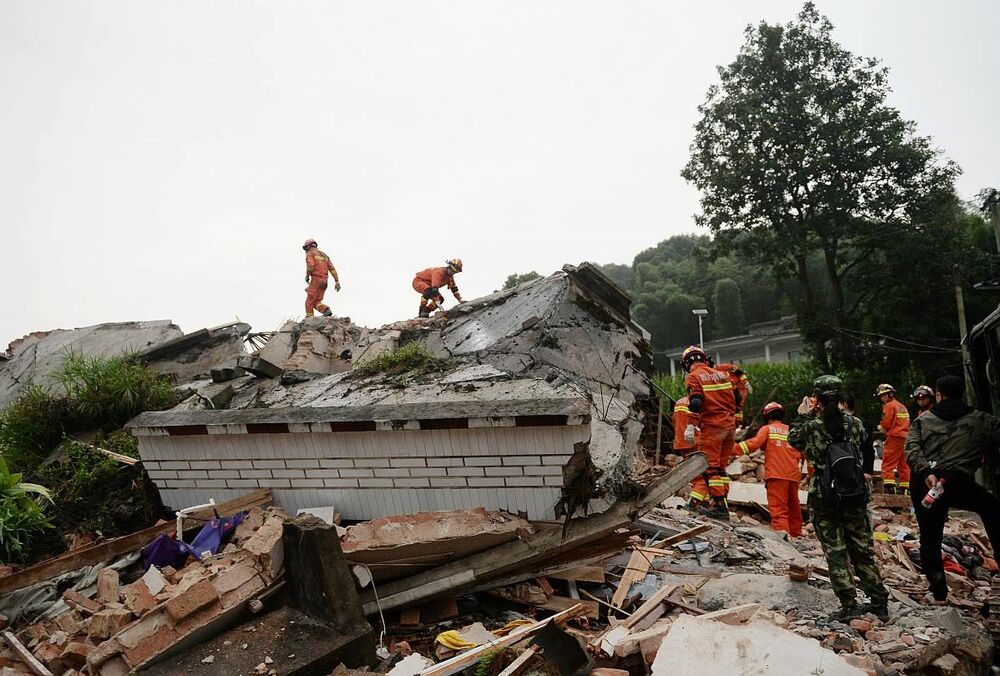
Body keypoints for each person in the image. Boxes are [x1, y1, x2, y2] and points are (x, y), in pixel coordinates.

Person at [789, 375, 889, 621]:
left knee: (835, 552)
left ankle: (849, 605)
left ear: (817, 399)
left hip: (825, 496)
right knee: (862, 550)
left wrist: (803, 414)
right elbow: (864, 439)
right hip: (855, 494)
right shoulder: (855, 424)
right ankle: (879, 603)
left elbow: (793, 439)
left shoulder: (812, 426)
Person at [905, 375, 1000, 602]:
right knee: (992, 509)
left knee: (929, 538)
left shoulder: (922, 421)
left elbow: (911, 450)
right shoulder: (981, 420)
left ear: (938, 394)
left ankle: (938, 591)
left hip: (925, 484)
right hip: (958, 482)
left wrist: (927, 472)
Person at [681, 345, 738, 519]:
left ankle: (720, 509)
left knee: (710, 469)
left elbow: (696, 402)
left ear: (685, 364)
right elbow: (738, 398)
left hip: (713, 428)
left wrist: (690, 425)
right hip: (730, 427)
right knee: (721, 469)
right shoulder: (721, 375)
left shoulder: (694, 377)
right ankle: (723, 504)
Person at [736, 402, 804, 536]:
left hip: (776, 475)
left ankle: (784, 541)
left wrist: (732, 448)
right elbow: (805, 452)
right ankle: (797, 536)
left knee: (779, 510)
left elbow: (753, 445)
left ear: (767, 416)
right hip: (793, 476)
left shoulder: (768, 429)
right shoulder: (792, 430)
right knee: (793, 508)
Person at [876, 384, 911, 494]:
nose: (882, 398)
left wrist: (881, 428)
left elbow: (886, 423)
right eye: (881, 396)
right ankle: (905, 488)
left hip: (894, 437)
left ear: (890, 394)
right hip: (905, 437)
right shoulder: (901, 406)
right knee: (903, 464)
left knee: (887, 464)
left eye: (884, 395)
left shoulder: (889, 406)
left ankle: (890, 488)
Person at [302, 239, 341, 317]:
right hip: (324, 281)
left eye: (306, 248)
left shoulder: (310, 253)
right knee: (316, 301)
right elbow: (332, 269)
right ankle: (325, 310)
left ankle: (309, 320)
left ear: (309, 246)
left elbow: (311, 265)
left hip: (316, 279)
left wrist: (307, 275)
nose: (306, 250)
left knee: (309, 302)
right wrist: (337, 281)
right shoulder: (324, 255)